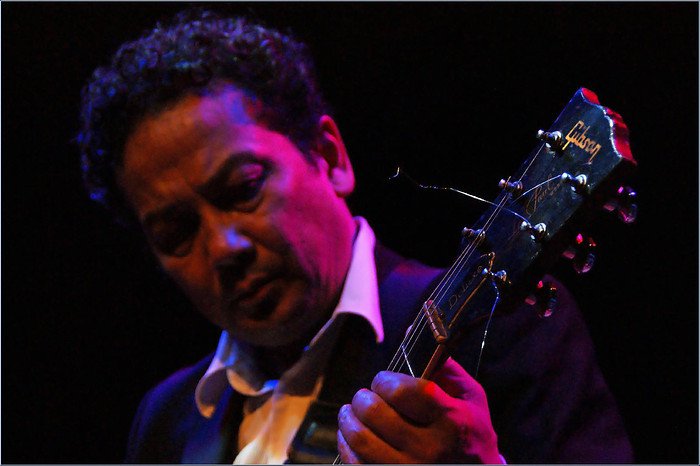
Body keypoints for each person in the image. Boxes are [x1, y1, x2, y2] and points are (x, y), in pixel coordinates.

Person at [78, 9, 633, 464]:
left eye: (244, 188)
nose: (225, 247)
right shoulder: (166, 421)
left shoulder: (504, 324)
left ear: (330, 157)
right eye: (176, 232)